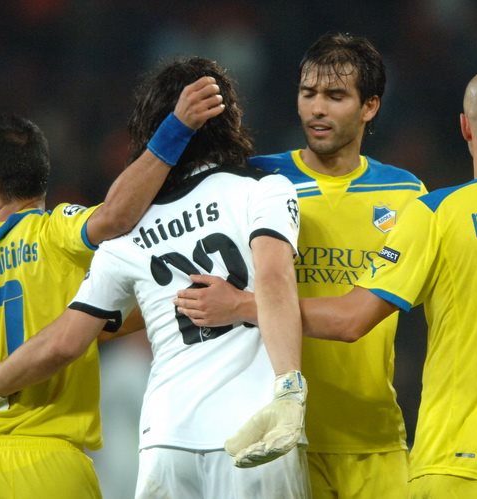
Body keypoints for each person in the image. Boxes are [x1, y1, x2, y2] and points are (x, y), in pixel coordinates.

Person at [0, 57, 311, 499]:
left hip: (159, 439)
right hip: (235, 427)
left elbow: (69, 338)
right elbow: (274, 283)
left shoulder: (126, 236)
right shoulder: (262, 188)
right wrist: (287, 383)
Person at [294, 66, 477, 498]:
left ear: (465, 127)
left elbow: (350, 320)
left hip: (462, 462)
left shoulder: (437, 213)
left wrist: (245, 306)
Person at [175, 32, 426, 499]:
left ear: (370, 106)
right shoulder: (257, 180)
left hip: (375, 442)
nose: (317, 109)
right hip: (278, 442)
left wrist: (242, 306)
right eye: (308, 94)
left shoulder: (407, 195)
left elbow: (355, 320)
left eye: (335, 96)